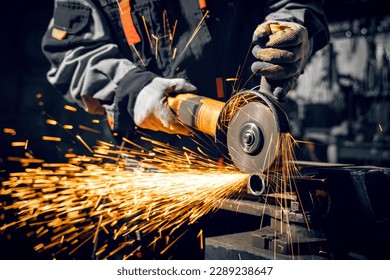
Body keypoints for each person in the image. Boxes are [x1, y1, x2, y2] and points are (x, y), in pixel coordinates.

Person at [42, 0, 329, 140]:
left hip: (255, 143)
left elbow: (292, 4)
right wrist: (132, 88)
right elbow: (71, 51)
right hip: (148, 167)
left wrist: (291, 28)